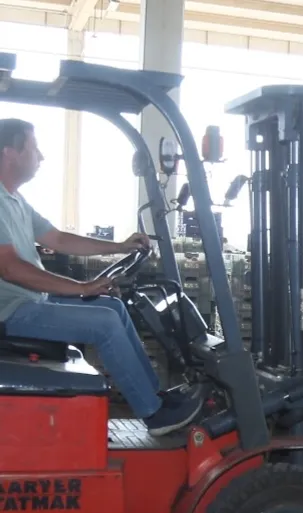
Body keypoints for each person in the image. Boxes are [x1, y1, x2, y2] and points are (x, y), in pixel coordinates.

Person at [0, 118, 203, 436]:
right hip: (10, 313)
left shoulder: (15, 200)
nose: (41, 156)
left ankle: (156, 397)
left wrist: (119, 246)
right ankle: (153, 414)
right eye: (34, 148)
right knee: (104, 324)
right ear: (9, 153)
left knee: (113, 307)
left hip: (30, 301)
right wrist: (82, 287)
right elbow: (10, 268)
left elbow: (59, 239)